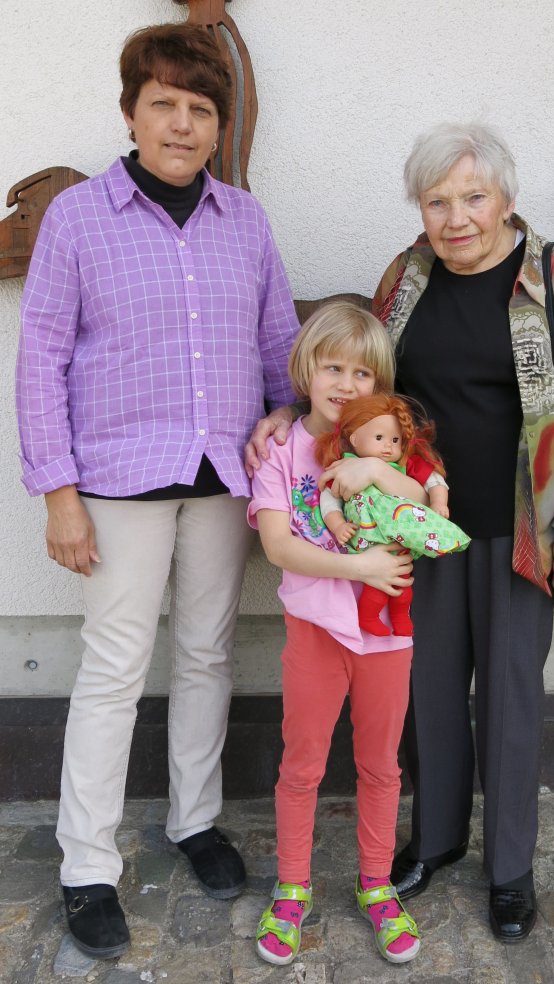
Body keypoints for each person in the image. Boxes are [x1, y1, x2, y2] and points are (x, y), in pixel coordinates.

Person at [244, 123, 554, 943]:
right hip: (417, 529)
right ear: (420, 208)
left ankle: (511, 870)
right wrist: (286, 411)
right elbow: (363, 386)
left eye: (472, 198)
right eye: (437, 200)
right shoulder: (406, 276)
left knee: (512, 699)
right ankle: (437, 839)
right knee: (425, 695)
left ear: (506, 200)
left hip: (520, 529)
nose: (455, 217)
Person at [15, 23, 299, 959]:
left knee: (210, 652)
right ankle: (87, 865)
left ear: (220, 125)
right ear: (132, 112)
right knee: (113, 668)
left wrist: (281, 420)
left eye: (200, 109)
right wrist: (57, 491)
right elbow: (43, 355)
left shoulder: (245, 221)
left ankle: (194, 820)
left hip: (222, 477)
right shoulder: (80, 219)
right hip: (117, 484)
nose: (182, 124)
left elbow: (271, 348)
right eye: (164, 105)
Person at [248, 302, 422, 966]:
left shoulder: (391, 450)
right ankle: (292, 886)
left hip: (386, 639)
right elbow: (279, 549)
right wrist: (360, 565)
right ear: (304, 370)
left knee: (380, 765)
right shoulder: (281, 454)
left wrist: (379, 471)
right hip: (315, 634)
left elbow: (426, 504)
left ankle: (375, 886)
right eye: (333, 368)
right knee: (303, 765)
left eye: (362, 373)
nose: (346, 385)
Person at [315, 393, 469, 636]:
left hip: (399, 543)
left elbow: (434, 480)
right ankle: (368, 616)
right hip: (368, 544)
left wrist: (439, 502)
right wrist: (338, 526)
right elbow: (329, 501)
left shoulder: (406, 465)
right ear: (354, 438)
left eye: (395, 440)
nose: (388, 446)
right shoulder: (346, 467)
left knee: (403, 587)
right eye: (379, 438)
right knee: (376, 590)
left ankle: (401, 620)